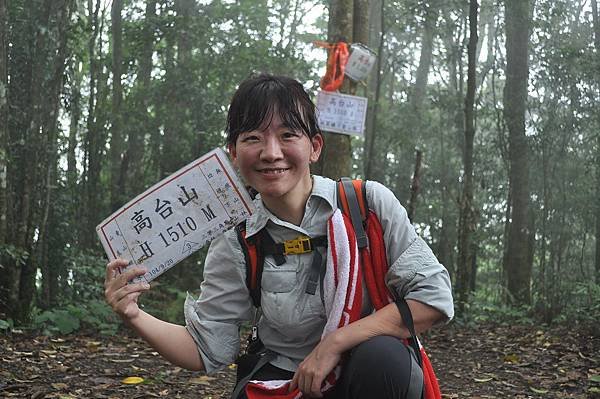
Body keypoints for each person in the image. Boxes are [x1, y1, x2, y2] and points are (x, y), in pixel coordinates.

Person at [104, 73, 454, 399]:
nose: (271, 153)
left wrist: (333, 344)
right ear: (234, 153)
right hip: (284, 382)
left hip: (368, 377)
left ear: (315, 147)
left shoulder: (366, 206)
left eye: (288, 135)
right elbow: (208, 349)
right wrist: (134, 314)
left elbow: (433, 299)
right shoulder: (238, 238)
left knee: (383, 356)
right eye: (253, 138)